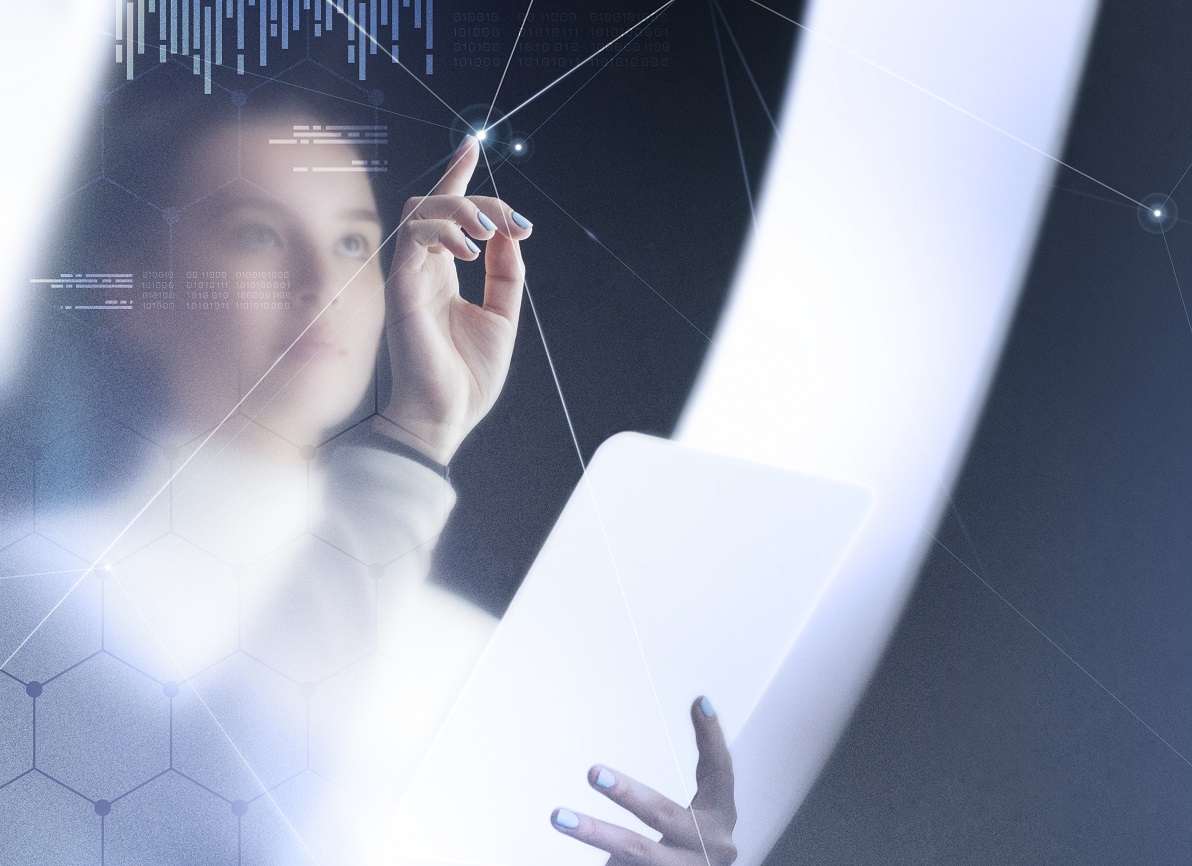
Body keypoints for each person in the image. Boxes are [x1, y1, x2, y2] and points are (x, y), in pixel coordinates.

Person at [0, 69, 737, 865]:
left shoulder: (471, 652)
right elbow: (226, 829)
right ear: (130, 288)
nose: (322, 284)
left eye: (353, 241)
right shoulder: (43, 592)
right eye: (257, 232)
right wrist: (414, 441)